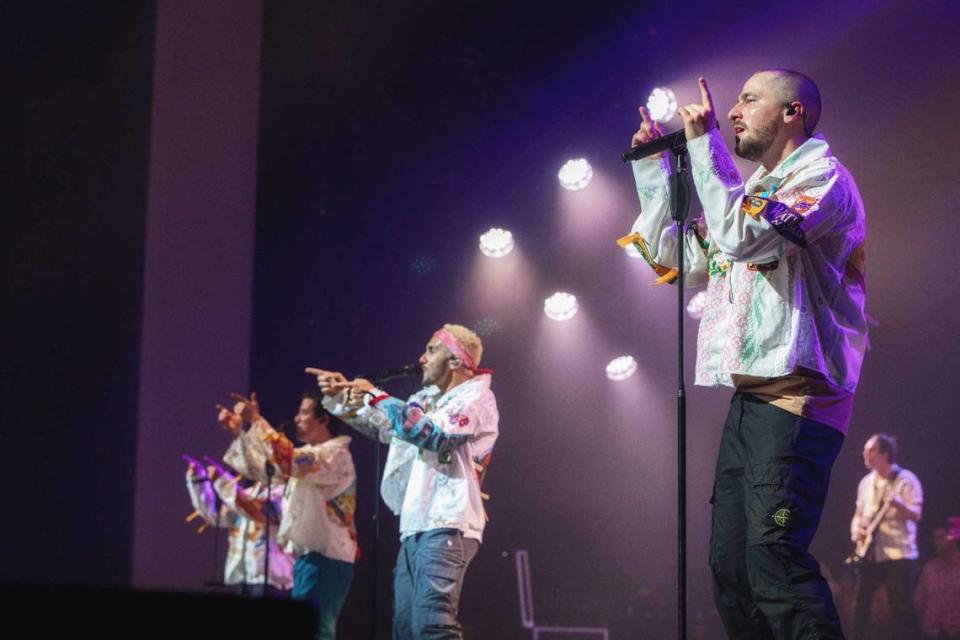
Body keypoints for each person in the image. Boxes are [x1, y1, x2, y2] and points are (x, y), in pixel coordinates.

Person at [625, 70, 867, 639]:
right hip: (752, 403)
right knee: (731, 571)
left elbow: (742, 238)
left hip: (797, 401)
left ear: (793, 112)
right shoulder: (753, 193)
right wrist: (652, 174)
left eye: (749, 99)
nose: (733, 110)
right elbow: (675, 261)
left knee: (774, 563)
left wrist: (704, 144)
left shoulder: (820, 178)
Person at [308, 323, 498, 640]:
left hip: (447, 523)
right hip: (416, 524)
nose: (422, 358)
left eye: (431, 349)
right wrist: (343, 396)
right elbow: (388, 424)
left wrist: (374, 393)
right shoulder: (425, 400)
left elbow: (431, 434)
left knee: (432, 626)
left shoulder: (477, 397)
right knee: (406, 630)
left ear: (455, 360)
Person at [221, 390, 358, 640]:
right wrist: (239, 434)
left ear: (324, 419)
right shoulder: (311, 456)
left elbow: (288, 460)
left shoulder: (334, 454)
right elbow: (266, 470)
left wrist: (257, 420)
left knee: (316, 629)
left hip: (327, 557)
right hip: (312, 556)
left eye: (304, 412)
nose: (296, 418)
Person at [183, 453, 293, 596]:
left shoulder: (284, 493)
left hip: (272, 579)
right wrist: (199, 481)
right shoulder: (248, 493)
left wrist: (222, 482)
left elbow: (259, 511)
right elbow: (215, 517)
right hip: (245, 576)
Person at [849, 434, 923, 639]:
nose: (865, 454)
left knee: (902, 606)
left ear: (885, 454)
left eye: (871, 450)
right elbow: (858, 514)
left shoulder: (906, 480)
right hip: (870, 553)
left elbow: (916, 515)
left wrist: (900, 504)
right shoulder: (865, 483)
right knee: (860, 604)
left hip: (898, 553)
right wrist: (856, 531)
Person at [914, 518, 960, 640]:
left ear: (952, 540)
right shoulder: (929, 569)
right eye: (934, 538)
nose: (936, 542)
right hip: (932, 634)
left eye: (940, 538)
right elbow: (919, 602)